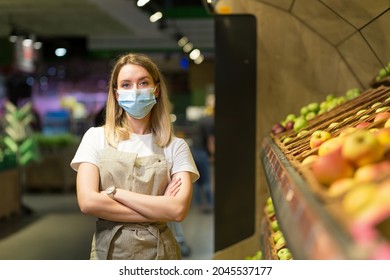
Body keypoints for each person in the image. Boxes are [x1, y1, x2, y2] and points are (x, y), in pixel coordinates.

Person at [70, 53, 199, 260]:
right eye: (127, 85)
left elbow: (177, 210)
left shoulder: (176, 147)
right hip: (109, 254)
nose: (136, 91)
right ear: (117, 93)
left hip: (160, 254)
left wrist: (115, 193)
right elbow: (87, 202)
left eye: (143, 82)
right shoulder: (95, 137)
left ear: (156, 90)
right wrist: (158, 209)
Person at [191, 94, 215, 213]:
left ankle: (199, 204)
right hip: (202, 153)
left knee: (198, 181)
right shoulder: (211, 121)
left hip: (193, 151)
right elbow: (211, 141)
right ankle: (210, 205)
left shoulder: (202, 119)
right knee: (206, 180)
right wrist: (212, 155)